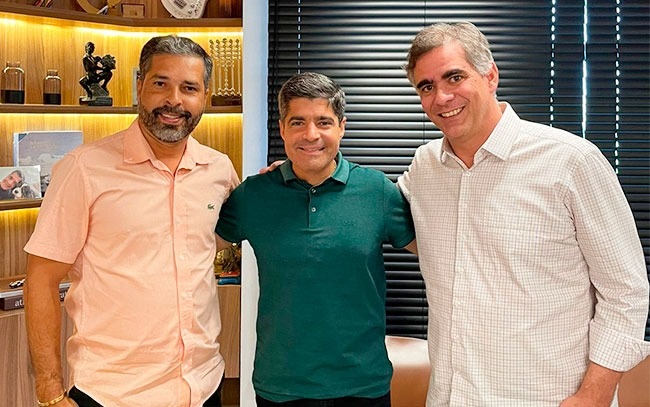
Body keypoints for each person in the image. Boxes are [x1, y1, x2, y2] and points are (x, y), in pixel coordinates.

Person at [397, 21, 650, 406]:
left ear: (490, 75)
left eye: (454, 77)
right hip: (450, 397)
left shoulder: (571, 161)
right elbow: (374, 213)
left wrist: (596, 394)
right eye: (426, 87)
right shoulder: (425, 166)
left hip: (547, 398)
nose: (442, 97)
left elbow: (626, 291)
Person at [23, 35, 239, 407]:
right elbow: (41, 280)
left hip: (203, 386)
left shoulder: (218, 169)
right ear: (140, 86)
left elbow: (230, 231)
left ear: (205, 95)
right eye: (161, 83)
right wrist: (50, 392)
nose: (174, 100)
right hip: (114, 394)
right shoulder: (84, 168)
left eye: (189, 88)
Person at [216, 72, 416, 406]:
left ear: (342, 127)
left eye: (323, 122)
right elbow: (194, 247)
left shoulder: (377, 191)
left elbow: (437, 250)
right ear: (282, 129)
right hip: (282, 386)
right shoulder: (254, 195)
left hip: (362, 385)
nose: (311, 135)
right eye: (298, 122)